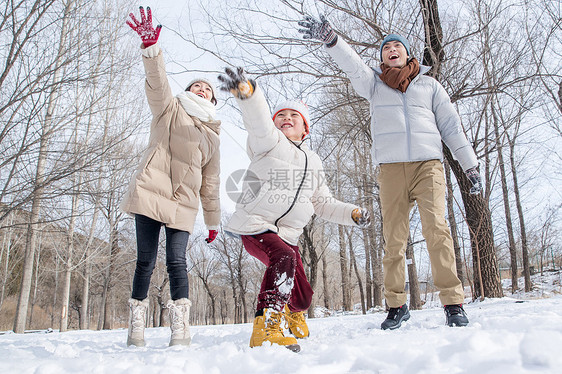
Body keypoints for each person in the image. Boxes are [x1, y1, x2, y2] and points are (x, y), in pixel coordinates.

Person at [299, 15, 482, 329]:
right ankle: (396, 305)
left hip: (428, 166)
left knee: (437, 230)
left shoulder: (429, 86)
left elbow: (451, 127)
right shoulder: (374, 84)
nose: (392, 50)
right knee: (393, 238)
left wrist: (470, 166)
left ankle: (453, 303)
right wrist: (332, 40)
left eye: (398, 46)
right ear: (382, 57)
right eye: (386, 48)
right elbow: (353, 65)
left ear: (408, 53)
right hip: (391, 170)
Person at [217, 67, 371, 352]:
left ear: (305, 128)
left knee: (302, 295)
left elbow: (323, 203)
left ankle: (293, 310)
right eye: (281, 116)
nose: (286, 119)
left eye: (294, 116)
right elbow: (259, 123)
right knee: (283, 257)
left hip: (288, 234)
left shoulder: (313, 162)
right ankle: (267, 325)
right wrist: (249, 95)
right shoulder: (269, 143)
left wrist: (351, 213)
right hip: (255, 224)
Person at [121, 6, 221, 347]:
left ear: (213, 100)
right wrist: (151, 48)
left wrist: (213, 222)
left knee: (177, 261)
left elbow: (210, 183)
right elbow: (158, 82)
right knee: (145, 261)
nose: (201, 89)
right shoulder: (169, 107)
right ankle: (137, 324)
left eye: (207, 89)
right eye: (196, 85)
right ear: (187, 90)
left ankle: (180, 326)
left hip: (183, 202)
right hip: (151, 191)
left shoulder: (213, 136)